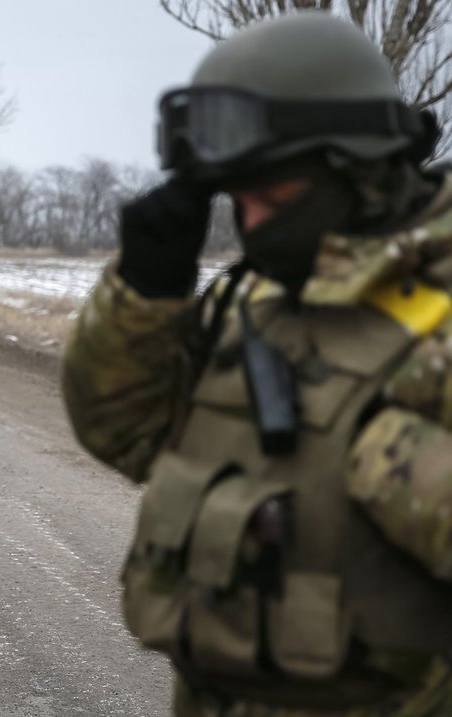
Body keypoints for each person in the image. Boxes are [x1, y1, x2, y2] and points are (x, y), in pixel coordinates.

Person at [62, 11, 452, 717]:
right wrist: (143, 296)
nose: (254, 223)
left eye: (274, 198)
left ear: (358, 168)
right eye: (238, 200)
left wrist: (391, 457)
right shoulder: (258, 294)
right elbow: (126, 431)